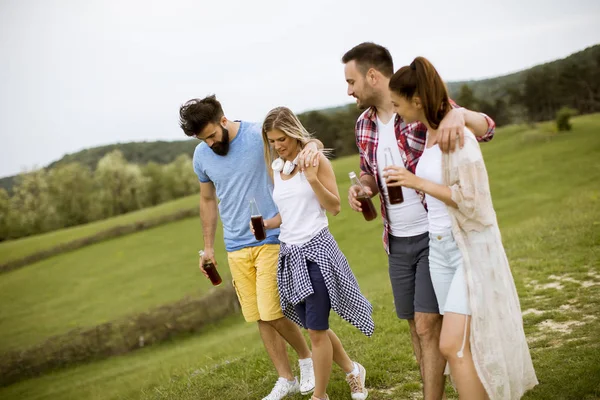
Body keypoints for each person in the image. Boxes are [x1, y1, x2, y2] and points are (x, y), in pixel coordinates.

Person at [342, 42, 496, 400]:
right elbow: (369, 173)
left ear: (372, 75)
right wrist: (363, 189)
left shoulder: (414, 102)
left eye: (351, 82)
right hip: (396, 239)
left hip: (434, 232)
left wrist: (459, 115)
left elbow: (486, 128)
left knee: (430, 325)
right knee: (417, 326)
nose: (349, 91)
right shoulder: (363, 125)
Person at [385, 56, 538, 399]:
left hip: (465, 248)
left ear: (417, 101)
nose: (396, 112)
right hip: (437, 250)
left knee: (452, 343)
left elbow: (474, 203)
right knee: (461, 348)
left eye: (398, 104)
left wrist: (415, 182)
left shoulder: (459, 136)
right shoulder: (425, 134)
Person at [179, 95, 321, 400]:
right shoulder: (201, 156)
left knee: (271, 311)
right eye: (203, 140)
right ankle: (286, 378)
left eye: (212, 135)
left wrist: (312, 146)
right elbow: (206, 201)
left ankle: (307, 360)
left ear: (223, 119)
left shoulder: (258, 134)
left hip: (271, 236)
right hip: (235, 245)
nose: (211, 143)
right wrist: (208, 248)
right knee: (259, 314)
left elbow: (300, 143)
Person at [256, 106, 374, 400]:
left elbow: (334, 206)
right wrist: (270, 223)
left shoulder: (315, 160)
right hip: (290, 254)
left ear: (294, 133)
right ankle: (352, 370)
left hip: (316, 251)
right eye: (272, 141)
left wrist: (311, 178)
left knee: (316, 331)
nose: (277, 146)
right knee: (312, 324)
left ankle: (319, 396)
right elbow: (289, 210)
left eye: (282, 139)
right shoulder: (277, 169)